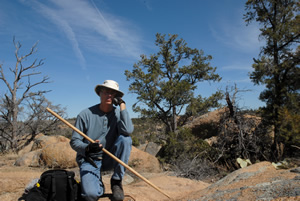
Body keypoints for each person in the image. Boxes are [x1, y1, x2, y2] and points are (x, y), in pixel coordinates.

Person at [70, 80, 134, 201]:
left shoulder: (118, 113)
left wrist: (123, 105)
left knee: (125, 139)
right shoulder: (85, 114)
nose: (109, 95)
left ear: (116, 97)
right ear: (99, 93)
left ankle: (116, 181)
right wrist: (87, 148)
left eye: (113, 93)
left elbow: (128, 130)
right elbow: (74, 141)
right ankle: (96, 183)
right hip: (90, 159)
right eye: (106, 92)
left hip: (110, 158)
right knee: (91, 195)